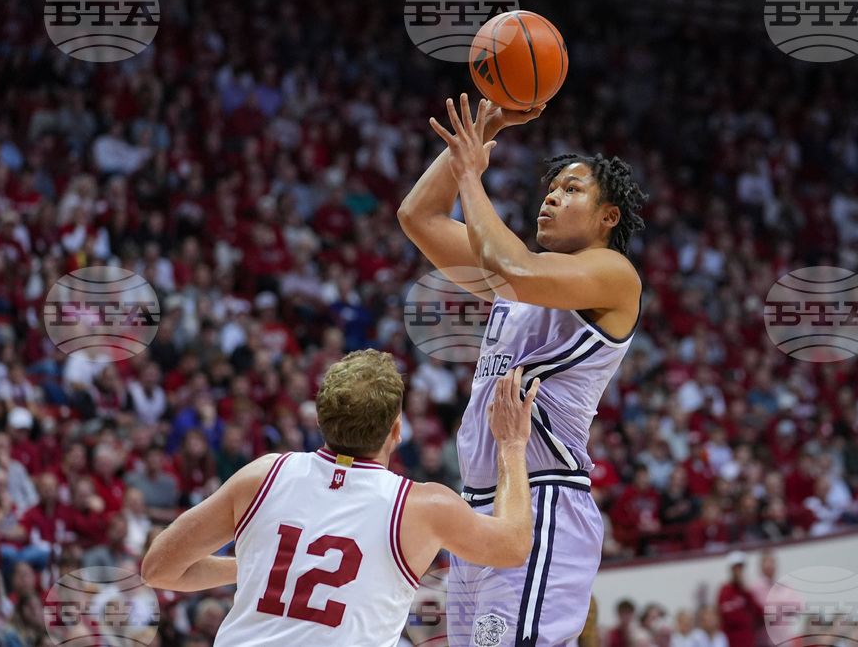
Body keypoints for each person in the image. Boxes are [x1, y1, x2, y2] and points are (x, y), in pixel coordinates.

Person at [399, 94, 645, 645]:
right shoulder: (517, 283)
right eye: (551, 190)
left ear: (609, 217)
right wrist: (481, 132)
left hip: (542, 499)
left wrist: (471, 178)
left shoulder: (612, 273)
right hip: (478, 510)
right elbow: (418, 217)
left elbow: (513, 266)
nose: (552, 199)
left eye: (571, 190)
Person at [142, 350, 540, 646]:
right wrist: (510, 444)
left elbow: (158, 569)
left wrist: (254, 567)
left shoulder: (263, 474)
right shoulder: (424, 507)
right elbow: (514, 545)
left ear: (319, 420)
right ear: (397, 431)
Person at [717, 551, 763, 647]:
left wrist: (746, 591)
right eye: (736, 568)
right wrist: (749, 619)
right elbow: (729, 617)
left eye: (741, 567)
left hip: (748, 640)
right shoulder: (725, 591)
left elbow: (760, 613)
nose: (739, 571)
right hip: (732, 641)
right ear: (731, 569)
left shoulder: (746, 591)